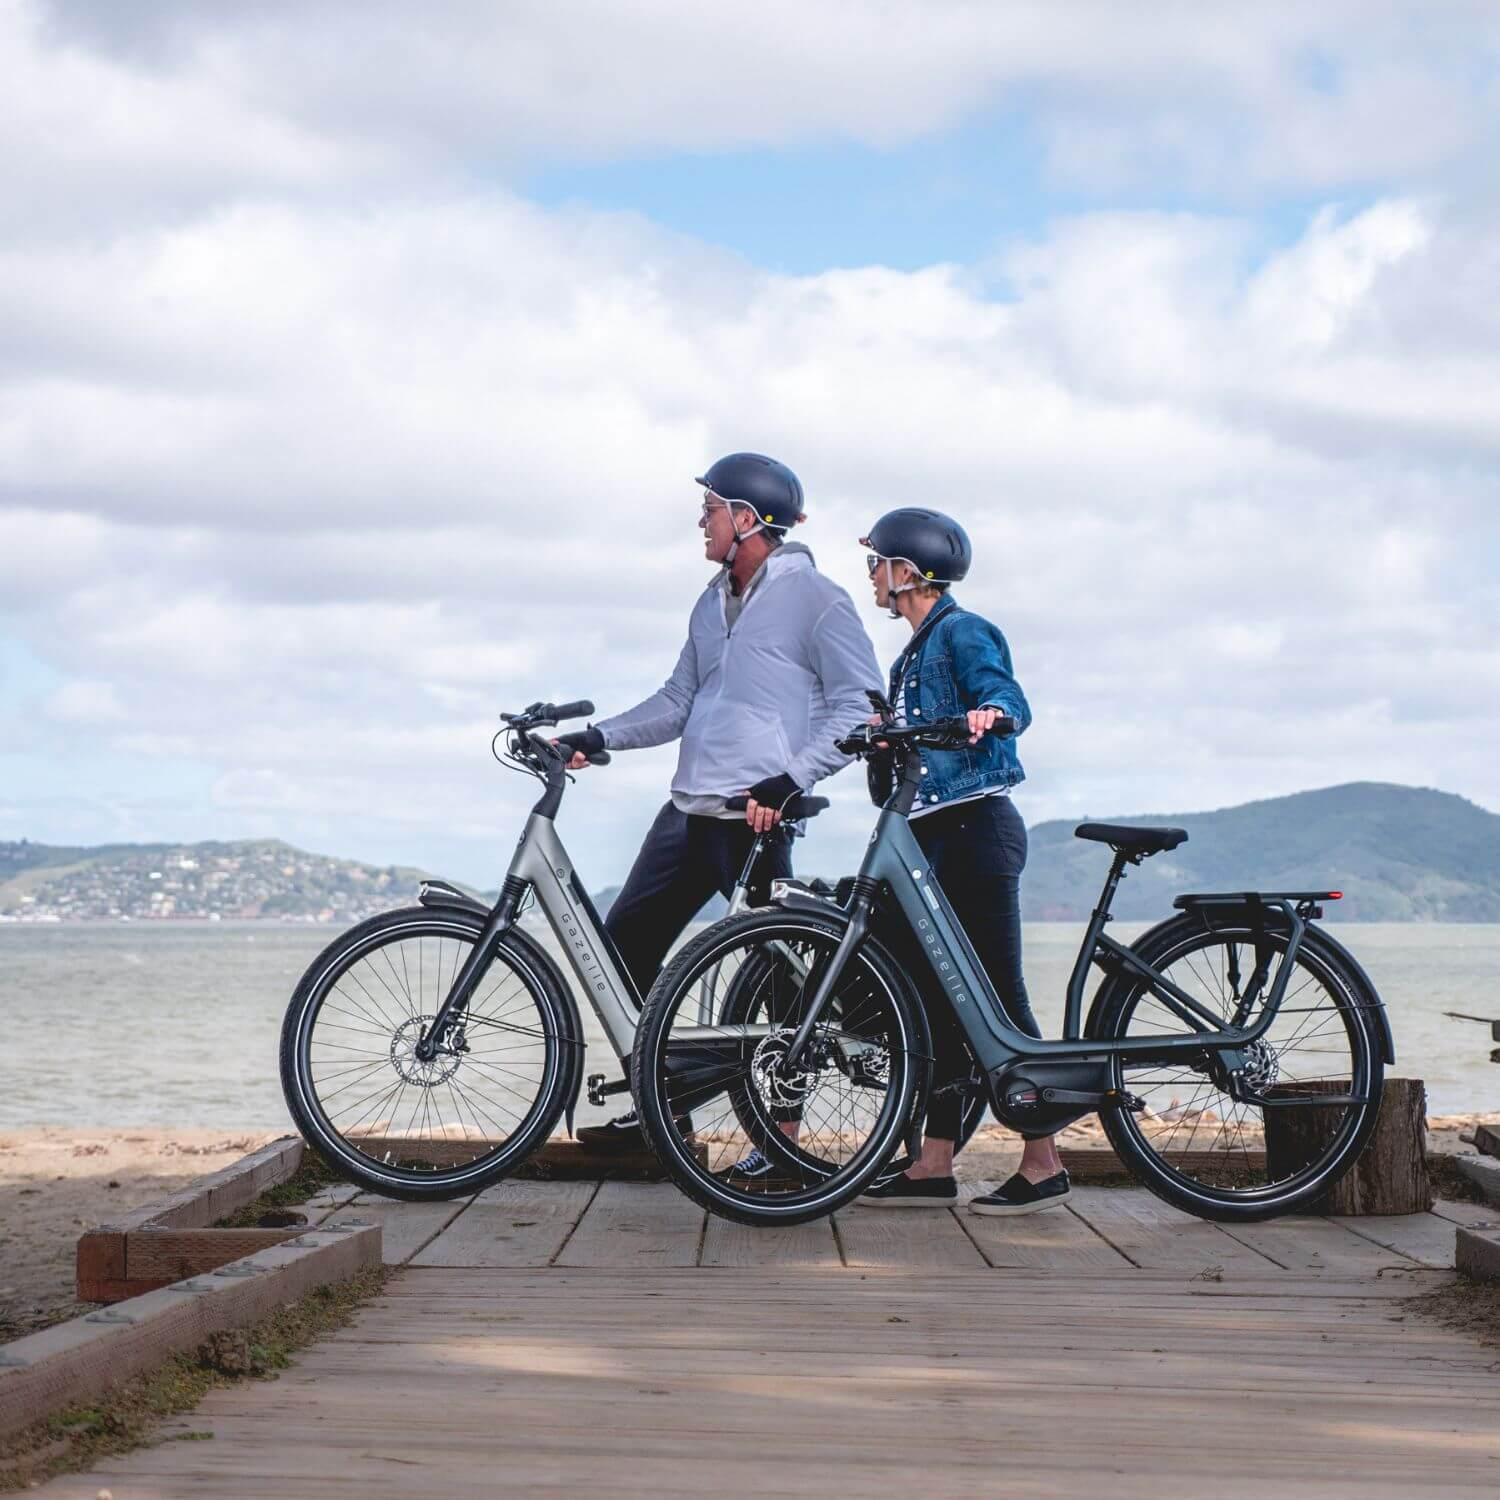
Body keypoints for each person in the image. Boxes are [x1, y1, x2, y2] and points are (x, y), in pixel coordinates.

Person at [553, 453, 882, 1156]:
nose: (700, 521)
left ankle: (783, 1142)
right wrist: (599, 734)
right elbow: (679, 701)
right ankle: (663, 1111)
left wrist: (791, 779)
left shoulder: (818, 598)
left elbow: (862, 707)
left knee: (780, 987)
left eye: (710, 509)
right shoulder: (710, 601)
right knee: (624, 954)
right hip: (686, 814)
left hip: (756, 819)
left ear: (747, 518)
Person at [854, 508, 1070, 1216]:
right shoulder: (910, 653)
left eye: (877, 561)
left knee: (997, 998)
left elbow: (1005, 695)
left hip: (977, 829)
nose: (871, 574)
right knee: (941, 1002)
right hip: (933, 834)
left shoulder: (963, 631)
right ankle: (934, 1162)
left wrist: (991, 714)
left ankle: (1043, 1162)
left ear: (907, 572)